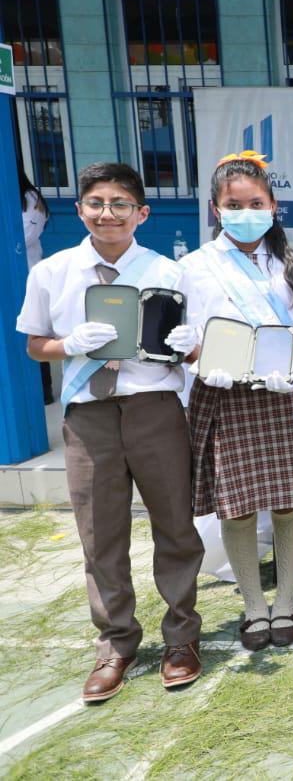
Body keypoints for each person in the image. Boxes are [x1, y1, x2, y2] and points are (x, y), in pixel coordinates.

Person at [17, 162, 204, 701]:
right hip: (89, 416)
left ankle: (181, 638)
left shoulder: (169, 272)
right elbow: (35, 345)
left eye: (120, 204)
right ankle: (116, 642)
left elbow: (194, 348)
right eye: (97, 203)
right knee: (100, 535)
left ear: (141, 213)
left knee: (175, 527)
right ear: (79, 210)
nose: (108, 214)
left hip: (155, 409)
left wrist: (188, 344)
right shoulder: (52, 272)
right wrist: (69, 344)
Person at [174, 153, 293, 650]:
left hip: (281, 394)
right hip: (222, 395)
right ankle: (253, 606)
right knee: (236, 507)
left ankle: (285, 601)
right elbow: (181, 337)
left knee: (288, 502)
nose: (246, 213)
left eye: (256, 203)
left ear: (272, 205)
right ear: (216, 209)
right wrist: (200, 361)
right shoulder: (193, 268)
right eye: (234, 205)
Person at [18, 167, 53, 404]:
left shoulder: (29, 198)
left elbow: (22, 236)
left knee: (34, 331)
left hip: (27, 275)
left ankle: (43, 391)